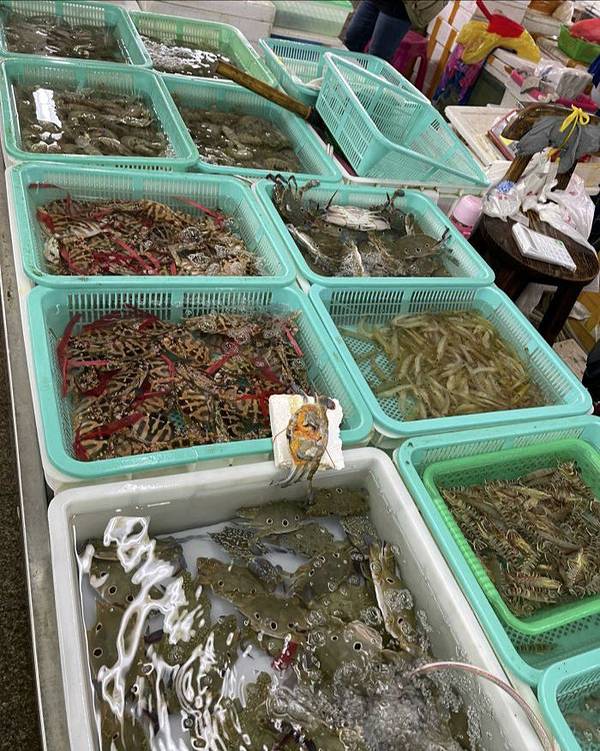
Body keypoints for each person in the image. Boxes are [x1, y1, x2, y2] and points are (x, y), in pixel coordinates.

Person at [345, 0, 447, 62]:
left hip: (401, 7)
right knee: (352, 39)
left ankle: (365, 90)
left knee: (377, 57)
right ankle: (341, 84)